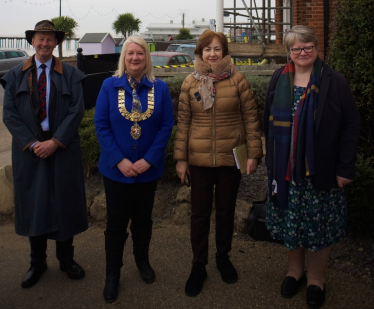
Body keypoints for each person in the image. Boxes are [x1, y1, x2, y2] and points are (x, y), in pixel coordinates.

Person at [264, 25, 360, 308]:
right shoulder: (278, 78)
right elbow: (266, 119)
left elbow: (351, 125)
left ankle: (317, 278)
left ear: (317, 50)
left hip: (323, 171)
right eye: (296, 48)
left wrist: (345, 168)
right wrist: (270, 160)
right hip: (285, 172)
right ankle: (294, 272)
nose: (302, 52)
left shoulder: (334, 81)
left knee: (319, 225)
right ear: (289, 53)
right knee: (291, 224)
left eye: (308, 47)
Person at [173, 30, 262, 297]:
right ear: (199, 53)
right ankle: (198, 265)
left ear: (224, 52)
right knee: (199, 215)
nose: (212, 54)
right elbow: (184, 124)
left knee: (225, 211)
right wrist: (181, 159)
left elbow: (251, 119)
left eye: (217, 49)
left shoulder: (238, 81)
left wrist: (253, 154)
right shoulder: (190, 83)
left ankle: (223, 257)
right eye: (207, 50)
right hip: (198, 159)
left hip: (229, 158)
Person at [1, 20, 88, 288]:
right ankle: (37, 263)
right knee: (34, 206)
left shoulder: (71, 74)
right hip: (30, 152)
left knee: (64, 203)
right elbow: (10, 115)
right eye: (40, 38)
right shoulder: (16, 74)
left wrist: (57, 141)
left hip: (62, 149)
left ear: (56, 42)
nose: (45, 43)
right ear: (32, 41)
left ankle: (66, 260)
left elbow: (77, 110)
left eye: (50, 39)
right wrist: (32, 143)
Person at [94, 36, 174, 303]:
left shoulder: (159, 88)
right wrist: (119, 160)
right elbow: (101, 126)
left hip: (147, 171)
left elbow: (166, 127)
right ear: (123, 57)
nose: (135, 58)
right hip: (116, 171)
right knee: (115, 225)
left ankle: (143, 261)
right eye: (130, 54)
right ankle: (112, 275)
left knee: (143, 222)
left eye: (140, 53)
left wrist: (149, 160)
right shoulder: (109, 86)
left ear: (146, 58)